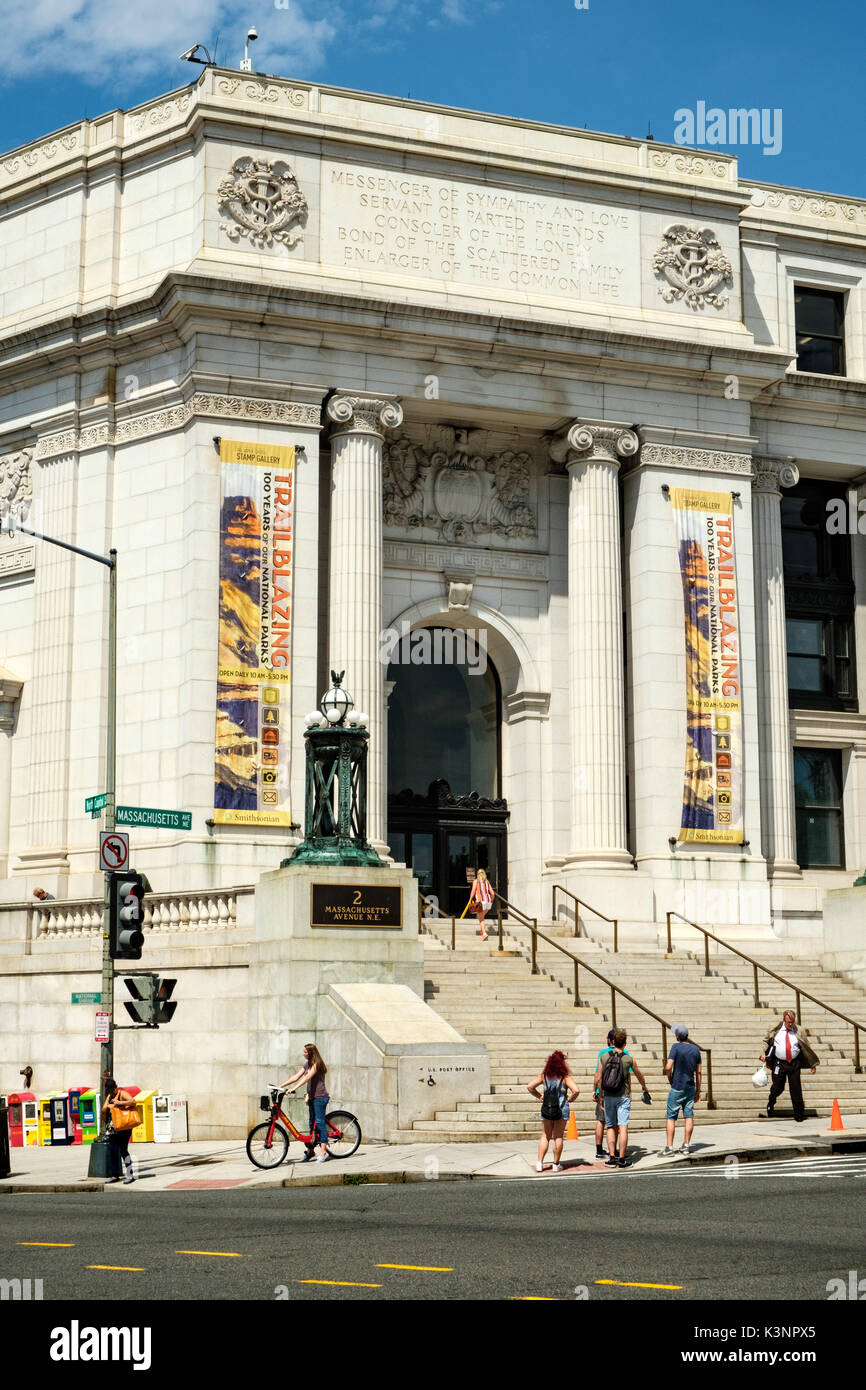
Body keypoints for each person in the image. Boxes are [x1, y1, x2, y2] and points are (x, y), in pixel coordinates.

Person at [594, 1028, 650, 1169]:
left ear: (612, 1042)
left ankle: (612, 1158)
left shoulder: (604, 1057)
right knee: (623, 1126)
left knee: (611, 1126)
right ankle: (622, 1159)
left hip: (608, 1097)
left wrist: (600, 1095)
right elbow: (638, 1075)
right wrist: (644, 1087)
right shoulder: (629, 1059)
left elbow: (598, 1078)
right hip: (623, 1096)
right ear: (624, 1043)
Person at [760, 1010, 818, 1122]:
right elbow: (765, 1041)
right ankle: (771, 1101)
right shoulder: (775, 1029)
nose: (790, 1024)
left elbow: (807, 1047)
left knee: (796, 1089)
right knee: (778, 1087)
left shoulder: (799, 1030)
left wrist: (813, 1064)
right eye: (788, 1022)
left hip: (794, 1063)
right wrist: (762, 1053)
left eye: (792, 1022)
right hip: (779, 1063)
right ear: (784, 1020)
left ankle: (799, 1115)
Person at [527, 1050, 579, 1173]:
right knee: (558, 1136)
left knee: (545, 1136)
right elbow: (576, 1090)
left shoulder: (544, 1076)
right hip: (562, 1109)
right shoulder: (565, 1077)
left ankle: (540, 1163)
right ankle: (556, 1165)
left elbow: (529, 1086)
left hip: (546, 1108)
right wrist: (570, 1099)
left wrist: (540, 1096)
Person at [280, 1043, 331, 1162]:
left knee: (319, 1123)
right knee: (311, 1124)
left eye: (305, 1052)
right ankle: (311, 1151)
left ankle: (323, 1153)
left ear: (311, 1053)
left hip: (320, 1098)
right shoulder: (307, 1064)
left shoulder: (316, 1064)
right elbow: (296, 1076)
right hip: (312, 1098)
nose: (303, 1054)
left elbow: (307, 1077)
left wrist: (294, 1089)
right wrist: (281, 1085)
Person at [664, 1024, 702, 1155]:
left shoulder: (675, 1047)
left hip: (677, 1086)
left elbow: (668, 1067)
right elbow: (699, 1072)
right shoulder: (696, 1050)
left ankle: (669, 1147)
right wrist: (698, 1090)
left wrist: (669, 1077)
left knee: (671, 1117)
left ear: (677, 1036)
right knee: (689, 1116)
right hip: (690, 1087)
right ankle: (686, 1145)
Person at [101, 1077, 137, 1184]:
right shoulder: (109, 1096)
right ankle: (114, 1175)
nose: (111, 1092)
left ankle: (130, 1175)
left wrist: (118, 1103)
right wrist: (108, 1099)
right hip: (112, 1128)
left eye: (112, 1090)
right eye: (109, 1091)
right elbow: (103, 1110)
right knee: (112, 1151)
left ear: (116, 1087)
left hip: (124, 1127)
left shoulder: (122, 1093)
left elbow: (133, 1101)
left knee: (123, 1150)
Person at [594, 1029, 617, 1159]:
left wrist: (595, 1090)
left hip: (603, 1091)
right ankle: (614, 1150)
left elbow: (598, 1075)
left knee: (601, 1121)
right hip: (619, 1093)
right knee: (616, 1124)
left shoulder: (603, 1053)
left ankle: (599, 1150)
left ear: (610, 1040)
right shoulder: (624, 1053)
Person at [468, 868, 494, 941]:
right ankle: (482, 930)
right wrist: (491, 901)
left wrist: (470, 899)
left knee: (481, 918)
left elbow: (473, 891)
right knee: (481, 916)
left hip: (481, 902)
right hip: (488, 902)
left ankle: (484, 933)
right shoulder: (487, 882)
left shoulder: (476, 881)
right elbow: (492, 893)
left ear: (477, 874)